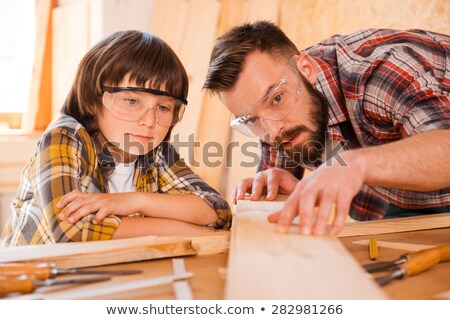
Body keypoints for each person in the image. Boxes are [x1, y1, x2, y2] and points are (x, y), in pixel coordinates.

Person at [203, 21, 450, 236]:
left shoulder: (376, 72)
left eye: (276, 99)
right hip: (406, 198)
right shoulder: (273, 116)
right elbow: (276, 194)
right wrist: (273, 195)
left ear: (306, 70)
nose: (273, 130)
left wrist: (356, 164)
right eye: (251, 120)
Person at [1, 30, 232, 247]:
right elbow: (72, 231)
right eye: (132, 101)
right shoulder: (63, 139)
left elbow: (217, 210)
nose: (150, 121)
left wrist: (135, 200)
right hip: (30, 282)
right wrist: (184, 231)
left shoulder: (156, 152)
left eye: (163, 107)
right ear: (93, 101)